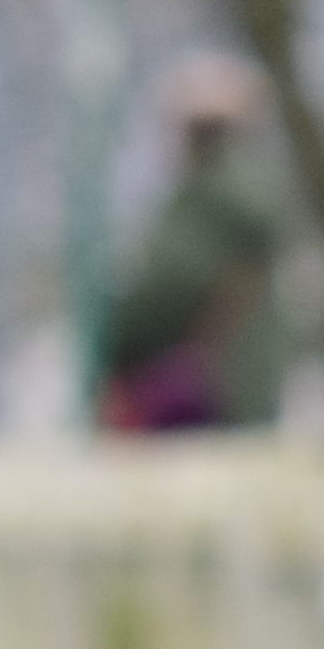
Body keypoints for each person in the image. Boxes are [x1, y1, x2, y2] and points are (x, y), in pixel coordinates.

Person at [103, 53, 285, 432]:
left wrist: (115, 342)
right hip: (252, 394)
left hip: (199, 396)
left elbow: (167, 288)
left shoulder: (205, 200)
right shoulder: (268, 196)